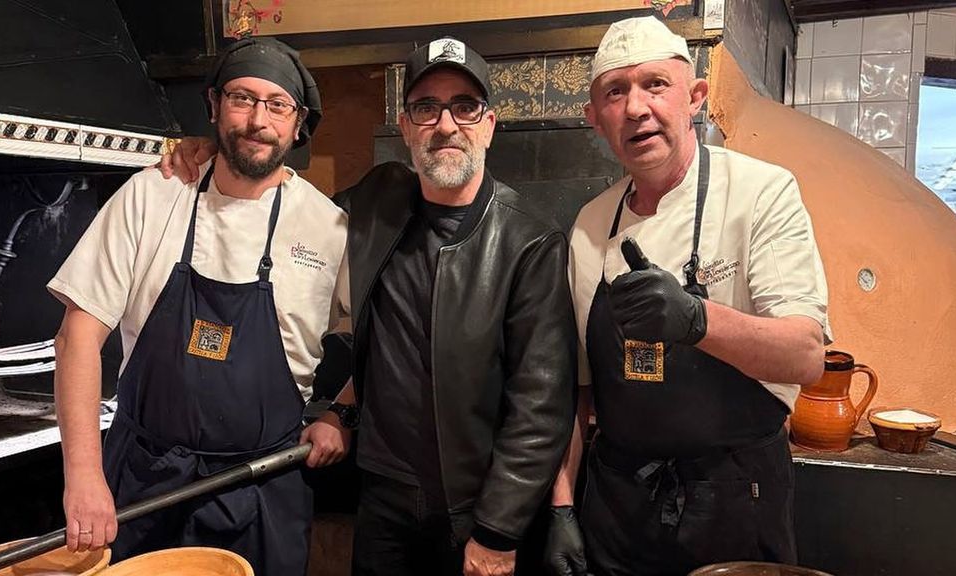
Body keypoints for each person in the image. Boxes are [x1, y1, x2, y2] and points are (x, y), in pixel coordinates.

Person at [162, 37, 577, 576]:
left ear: (490, 124)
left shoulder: (530, 243)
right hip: (383, 498)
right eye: (426, 108)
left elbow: (540, 407)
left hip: (473, 506)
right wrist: (219, 146)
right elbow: (281, 190)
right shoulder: (376, 202)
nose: (446, 125)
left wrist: (498, 530)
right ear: (405, 128)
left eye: (465, 107)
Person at [49, 37, 353, 576]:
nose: (258, 119)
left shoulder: (328, 227)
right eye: (242, 98)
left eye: (277, 105)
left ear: (298, 122)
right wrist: (83, 475)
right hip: (144, 485)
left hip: (263, 492)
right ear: (214, 105)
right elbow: (77, 338)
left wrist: (340, 411)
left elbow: (380, 339)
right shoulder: (152, 194)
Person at [543, 17, 831, 576]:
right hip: (618, 506)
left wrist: (696, 319)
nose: (635, 108)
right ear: (595, 121)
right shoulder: (587, 226)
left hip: (735, 499)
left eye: (655, 85)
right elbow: (575, 391)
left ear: (695, 97)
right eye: (614, 92)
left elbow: (806, 355)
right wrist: (561, 507)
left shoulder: (760, 193)